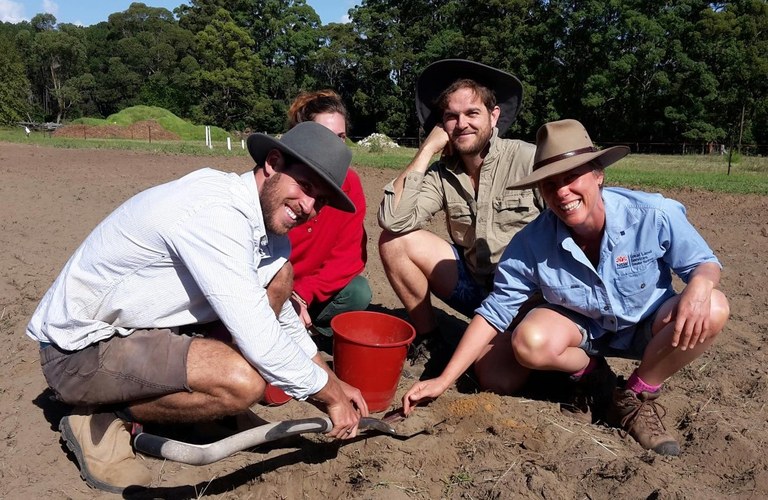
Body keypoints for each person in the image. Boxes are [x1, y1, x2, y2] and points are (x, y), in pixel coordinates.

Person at [26, 121, 369, 493]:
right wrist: (330, 396)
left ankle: (204, 412)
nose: (308, 207)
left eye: (319, 200)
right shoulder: (216, 212)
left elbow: (283, 318)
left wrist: (331, 381)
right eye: (305, 187)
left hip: (137, 334)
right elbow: (260, 338)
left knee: (279, 278)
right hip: (77, 353)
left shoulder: (264, 228)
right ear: (272, 163)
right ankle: (104, 416)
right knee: (244, 381)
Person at [402, 119, 730, 456]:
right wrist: (443, 380)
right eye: (549, 183)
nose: (562, 193)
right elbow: (495, 312)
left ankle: (635, 395)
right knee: (528, 342)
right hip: (583, 331)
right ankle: (593, 376)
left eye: (572, 177)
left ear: (598, 174)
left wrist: (700, 286)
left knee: (714, 307)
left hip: (648, 327)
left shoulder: (653, 214)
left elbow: (703, 264)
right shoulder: (530, 243)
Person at [377, 59, 543, 371]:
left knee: (495, 378)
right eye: (451, 116)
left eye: (472, 113)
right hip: (475, 288)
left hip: (526, 299)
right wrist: (426, 151)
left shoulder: (527, 160)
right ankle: (431, 341)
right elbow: (392, 219)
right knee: (393, 242)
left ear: (494, 116)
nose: (461, 123)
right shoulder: (441, 174)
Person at [286, 90, 371, 346]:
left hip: (309, 291)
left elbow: (349, 257)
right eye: (325, 137)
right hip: (273, 286)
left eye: (341, 138)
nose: (335, 147)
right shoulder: (283, 185)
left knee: (358, 293)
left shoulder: (350, 184)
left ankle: (312, 329)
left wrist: (303, 294)